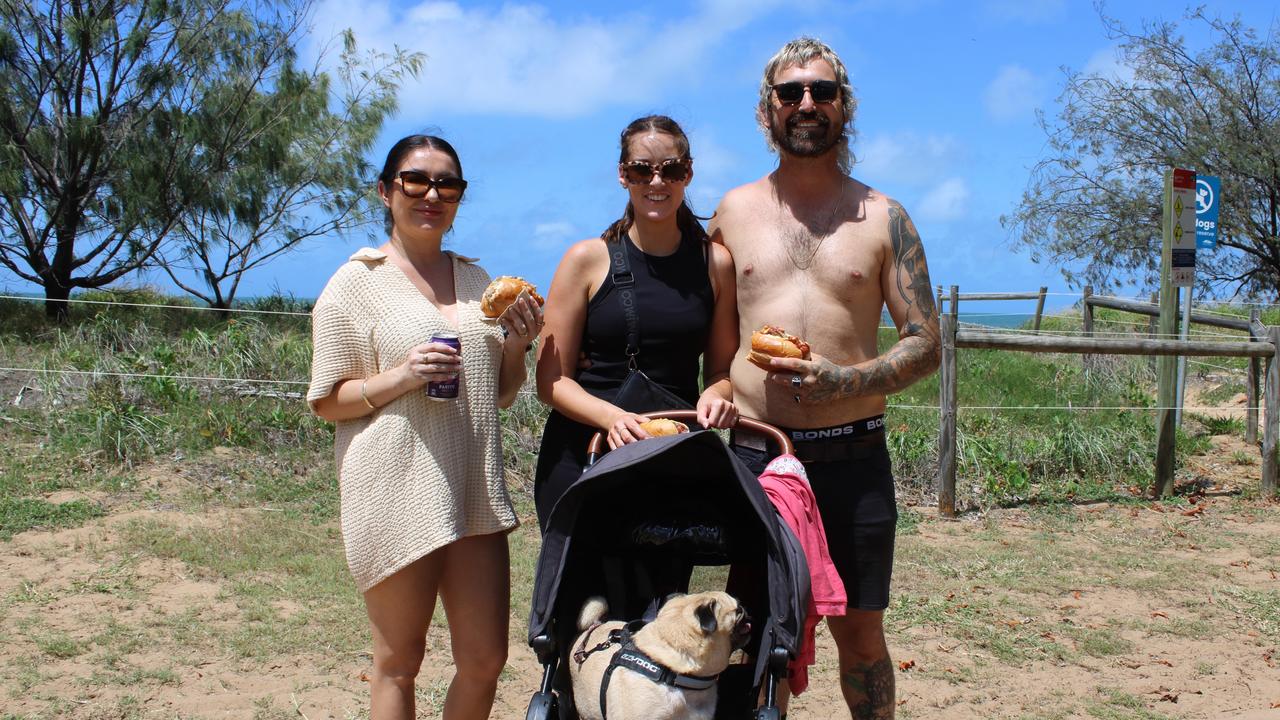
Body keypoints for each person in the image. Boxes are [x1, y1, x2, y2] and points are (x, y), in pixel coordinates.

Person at [710, 38, 940, 718]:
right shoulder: (730, 213)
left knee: (862, 638)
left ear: (846, 108)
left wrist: (841, 380)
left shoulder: (884, 217)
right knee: (748, 635)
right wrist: (718, 389)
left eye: (822, 91)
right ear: (766, 113)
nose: (806, 103)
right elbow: (716, 348)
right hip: (759, 457)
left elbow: (928, 344)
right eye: (790, 93)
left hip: (854, 457)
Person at [306, 134, 542, 720]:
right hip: (392, 489)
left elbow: (503, 393)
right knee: (398, 661)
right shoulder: (355, 283)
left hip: (473, 489)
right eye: (416, 180)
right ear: (386, 191)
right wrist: (403, 375)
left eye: (447, 184)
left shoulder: (477, 280)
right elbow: (328, 400)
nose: (432, 194)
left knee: (485, 659)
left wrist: (518, 343)